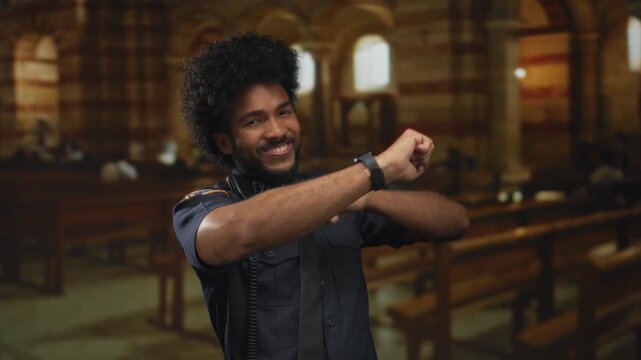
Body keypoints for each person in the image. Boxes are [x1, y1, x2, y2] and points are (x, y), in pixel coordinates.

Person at [173, 32, 469, 360]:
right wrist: (375, 170)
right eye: (254, 121)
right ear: (226, 142)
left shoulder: (341, 191)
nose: (277, 131)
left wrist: (369, 197)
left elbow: (454, 221)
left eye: (284, 112)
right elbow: (239, 231)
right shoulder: (201, 204)